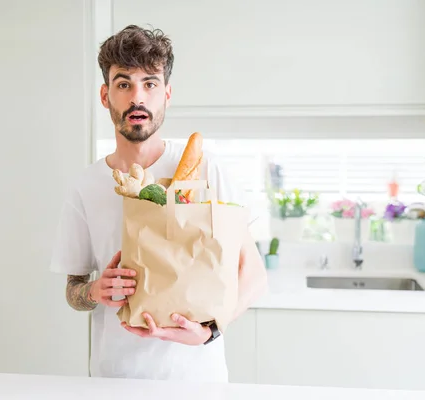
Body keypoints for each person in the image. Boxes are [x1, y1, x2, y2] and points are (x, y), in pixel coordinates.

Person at [50, 24, 267, 383]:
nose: (138, 97)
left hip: (197, 378)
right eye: (124, 84)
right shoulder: (85, 186)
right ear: (105, 96)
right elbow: (74, 291)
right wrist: (93, 290)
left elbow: (254, 274)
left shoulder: (206, 168)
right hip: (114, 379)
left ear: (166, 94)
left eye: (150, 83)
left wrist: (211, 329)